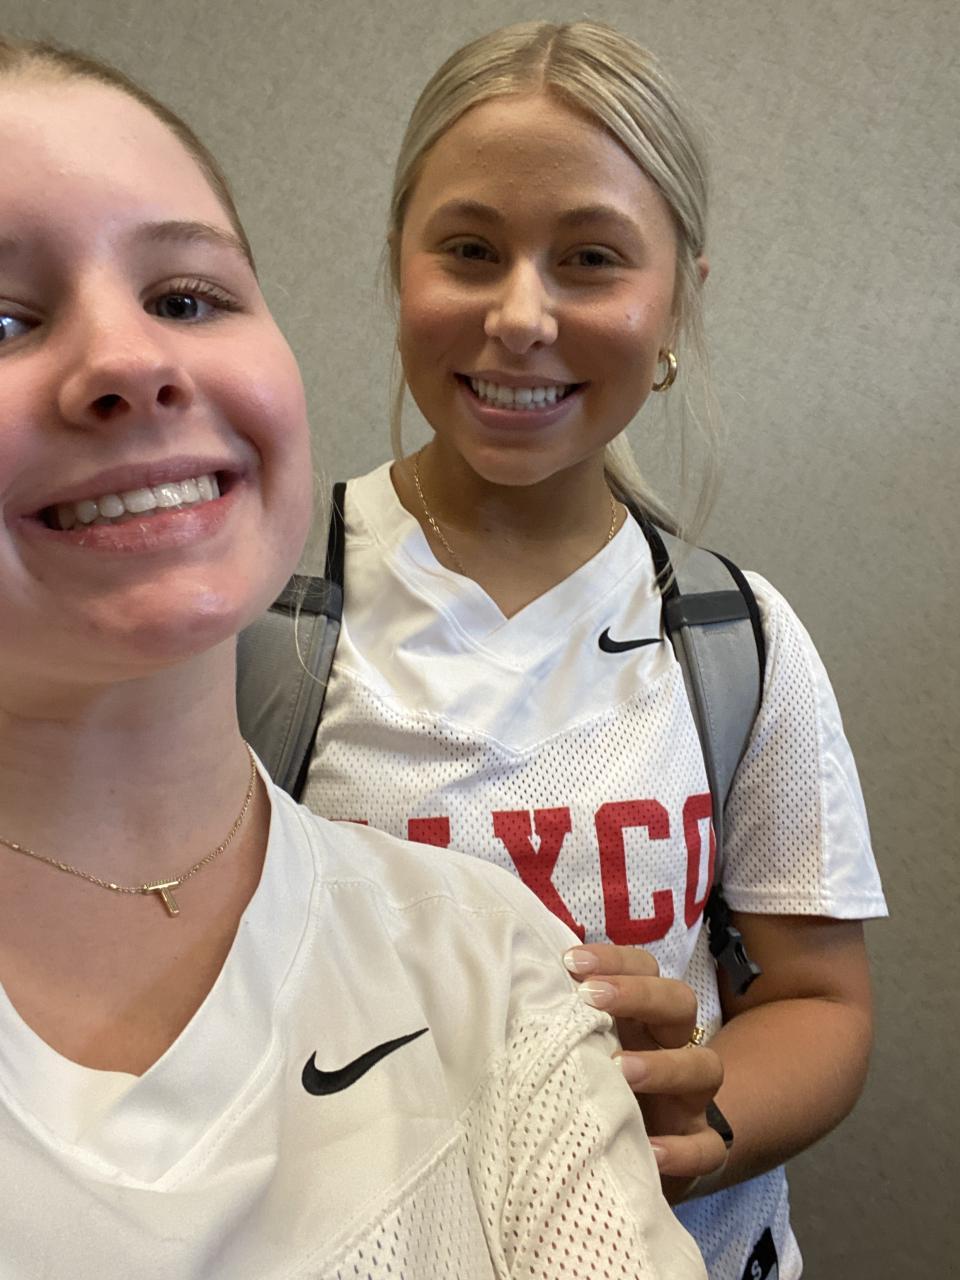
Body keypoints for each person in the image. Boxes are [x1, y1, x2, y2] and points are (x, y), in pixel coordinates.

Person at [0, 37, 708, 1280]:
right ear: (397, 271)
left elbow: (822, 989)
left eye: (186, 297)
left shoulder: (495, 951)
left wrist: (659, 1105)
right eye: (4, 320)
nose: (131, 361)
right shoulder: (297, 606)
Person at [291, 21, 888, 1280]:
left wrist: (692, 1128)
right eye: (469, 250)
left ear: (676, 297)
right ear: (398, 266)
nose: (520, 316)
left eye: (591, 259)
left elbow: (821, 1000)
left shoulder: (737, 638)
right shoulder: (264, 618)